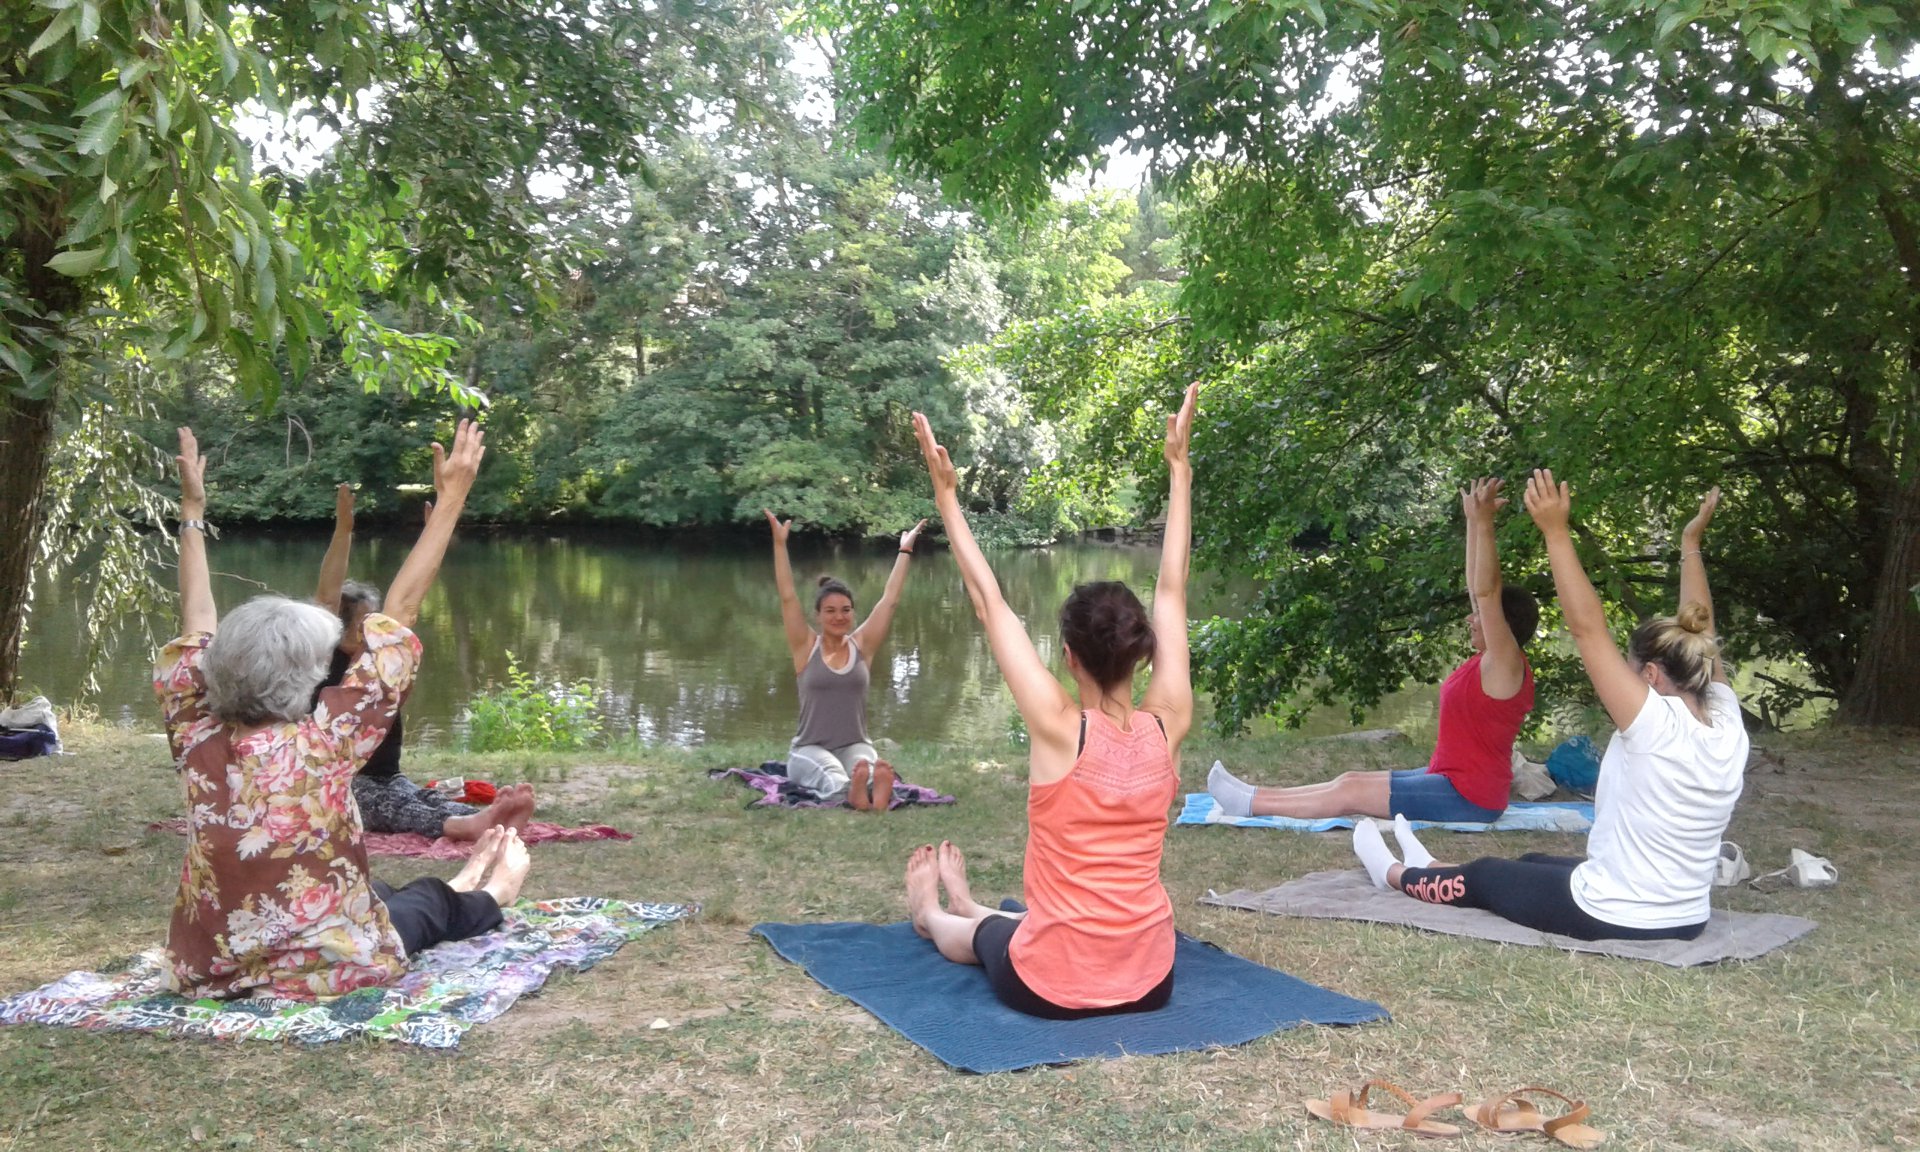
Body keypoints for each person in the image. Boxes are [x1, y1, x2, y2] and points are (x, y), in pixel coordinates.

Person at [156, 422, 532, 999]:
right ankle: (491, 891)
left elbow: (196, 618)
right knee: (427, 901)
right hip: (323, 966)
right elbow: (401, 613)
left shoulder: (193, 729)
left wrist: (191, 511)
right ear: (309, 675)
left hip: (211, 967)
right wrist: (453, 498)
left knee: (376, 892)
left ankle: (458, 883)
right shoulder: (325, 743)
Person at [899, 384, 1198, 1019]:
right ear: (1143, 653)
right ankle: (972, 903)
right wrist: (1180, 470)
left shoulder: (1061, 727)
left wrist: (947, 496)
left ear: (1068, 656)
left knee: (982, 939)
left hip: (1052, 987)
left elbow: (990, 603)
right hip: (1151, 981)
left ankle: (934, 912)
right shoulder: (1167, 724)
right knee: (1018, 923)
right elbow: (1172, 591)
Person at [1351, 476, 1747, 942]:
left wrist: (1556, 532)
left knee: (1488, 876)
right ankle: (1433, 865)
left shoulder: (1656, 724)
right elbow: (1702, 630)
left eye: (1629, 666)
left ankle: (1397, 875)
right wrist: (1690, 544)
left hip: (1619, 914)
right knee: (1533, 863)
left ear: (1652, 675)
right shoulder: (1725, 717)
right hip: (1687, 914)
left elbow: (1587, 628)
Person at [1207, 477, 1541, 822]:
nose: (1471, 617)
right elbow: (1478, 589)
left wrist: (1485, 525)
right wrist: (1473, 521)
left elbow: (1487, 593)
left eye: (1481, 616)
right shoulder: (1490, 661)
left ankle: (1250, 806)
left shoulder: (1505, 663)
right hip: (1450, 778)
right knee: (1349, 781)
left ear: (1502, 624)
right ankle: (1253, 795)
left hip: (1470, 796)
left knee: (1349, 794)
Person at [312, 484, 534, 839]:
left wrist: (435, 534)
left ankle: (490, 817)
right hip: (338, 782)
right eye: (363, 621)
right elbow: (327, 596)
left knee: (421, 797)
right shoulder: (324, 659)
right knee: (390, 806)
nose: (373, 628)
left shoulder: (381, 664)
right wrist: (344, 530)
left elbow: (410, 598)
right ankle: (467, 826)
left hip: (386, 777)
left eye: (374, 619)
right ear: (339, 625)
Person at [764, 508, 927, 809]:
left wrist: (904, 550)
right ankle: (856, 794)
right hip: (809, 749)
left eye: (846, 610)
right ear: (818, 615)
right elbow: (787, 596)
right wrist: (779, 544)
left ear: (853, 613)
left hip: (855, 744)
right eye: (830, 611)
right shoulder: (805, 646)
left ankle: (869, 791)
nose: (839, 617)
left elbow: (889, 600)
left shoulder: (862, 645)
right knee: (832, 775)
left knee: (867, 767)